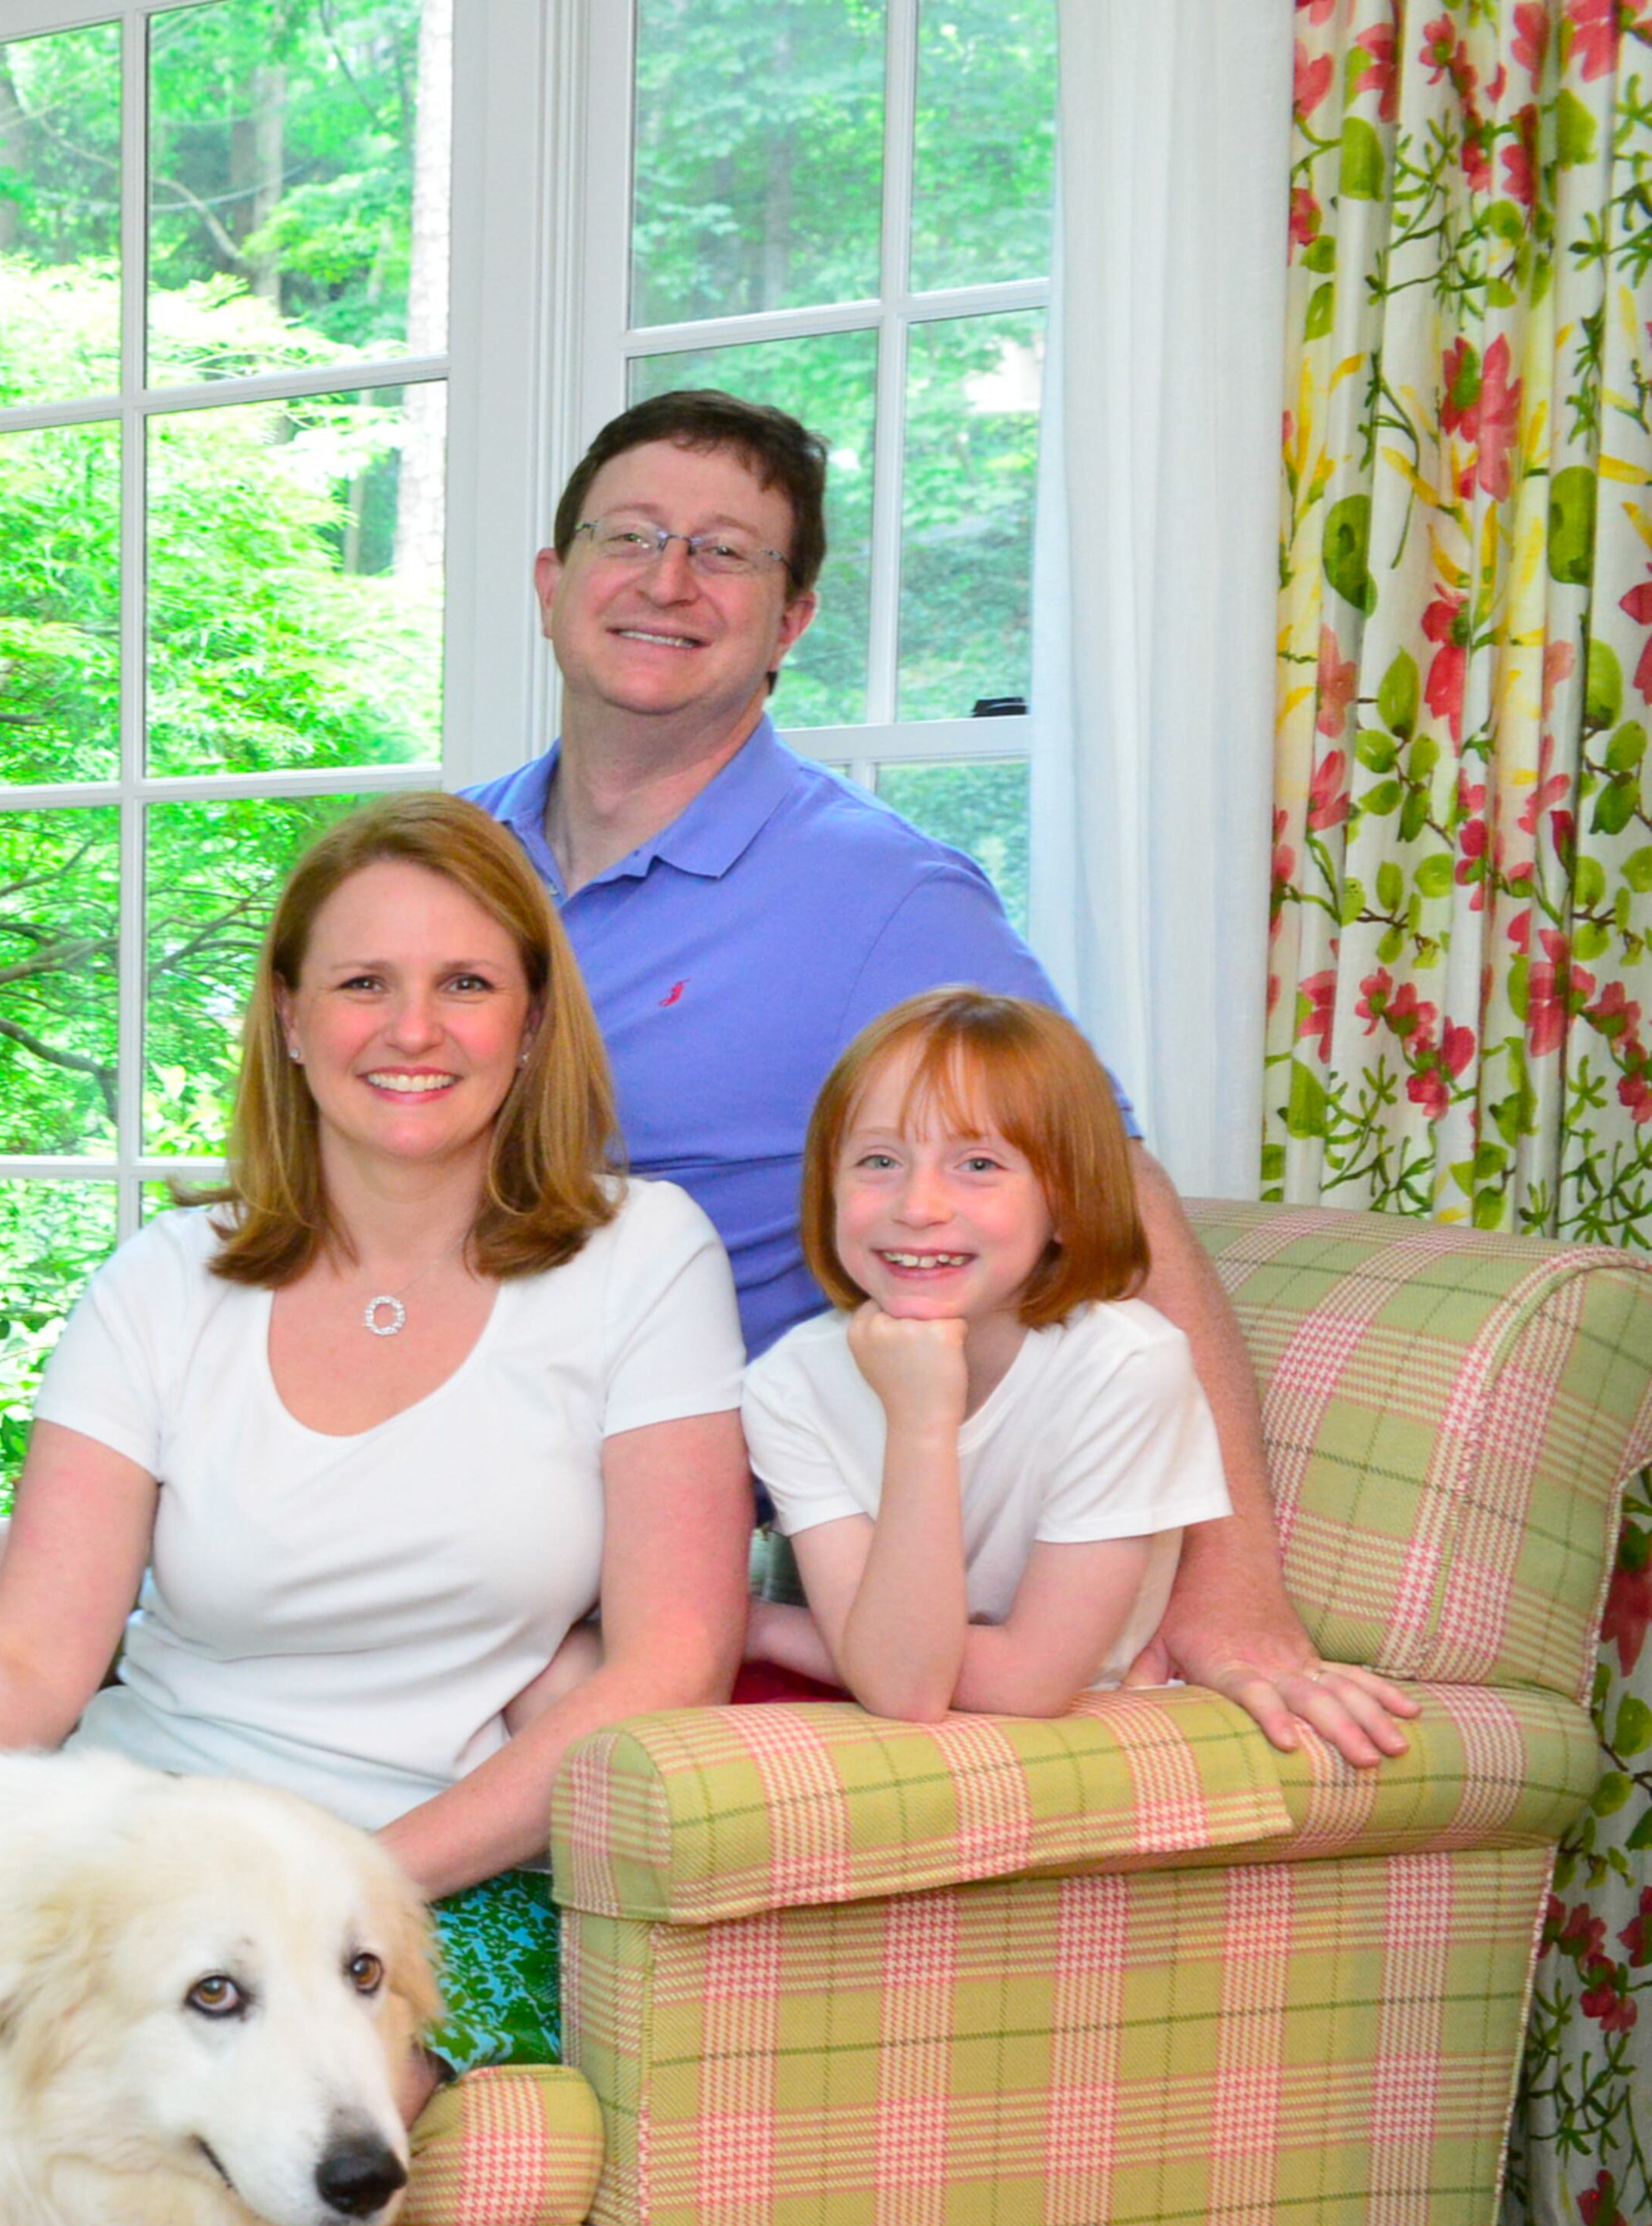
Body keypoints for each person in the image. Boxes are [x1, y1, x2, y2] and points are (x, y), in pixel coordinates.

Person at [0, 793, 754, 2095]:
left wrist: (349, 1883)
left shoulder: (643, 1257)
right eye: (364, 981)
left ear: (532, 1021)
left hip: (433, 1879)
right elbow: (32, 1650)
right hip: (140, 1838)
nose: (413, 1027)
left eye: (466, 982)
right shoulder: (162, 1278)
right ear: (291, 1018)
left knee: (185, 2161)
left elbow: (670, 1661)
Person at [465, 386, 1414, 1770]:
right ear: (555, 582)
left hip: (638, 1496)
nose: (667, 580)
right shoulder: (453, 856)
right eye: (630, 536)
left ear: (792, 621)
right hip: (427, 1418)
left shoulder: (881, 894)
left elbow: (1114, 1196)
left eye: (728, 552)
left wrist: (1236, 1600)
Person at [737, 988, 1232, 1721]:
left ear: (1065, 1201)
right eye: (879, 1159)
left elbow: (1006, 1686)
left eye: (977, 1164)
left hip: (1074, 1729)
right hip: (883, 1706)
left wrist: (770, 1627)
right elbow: (902, 1685)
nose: (919, 1205)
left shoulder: (1126, 1367)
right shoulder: (791, 1381)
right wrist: (868, 1652)